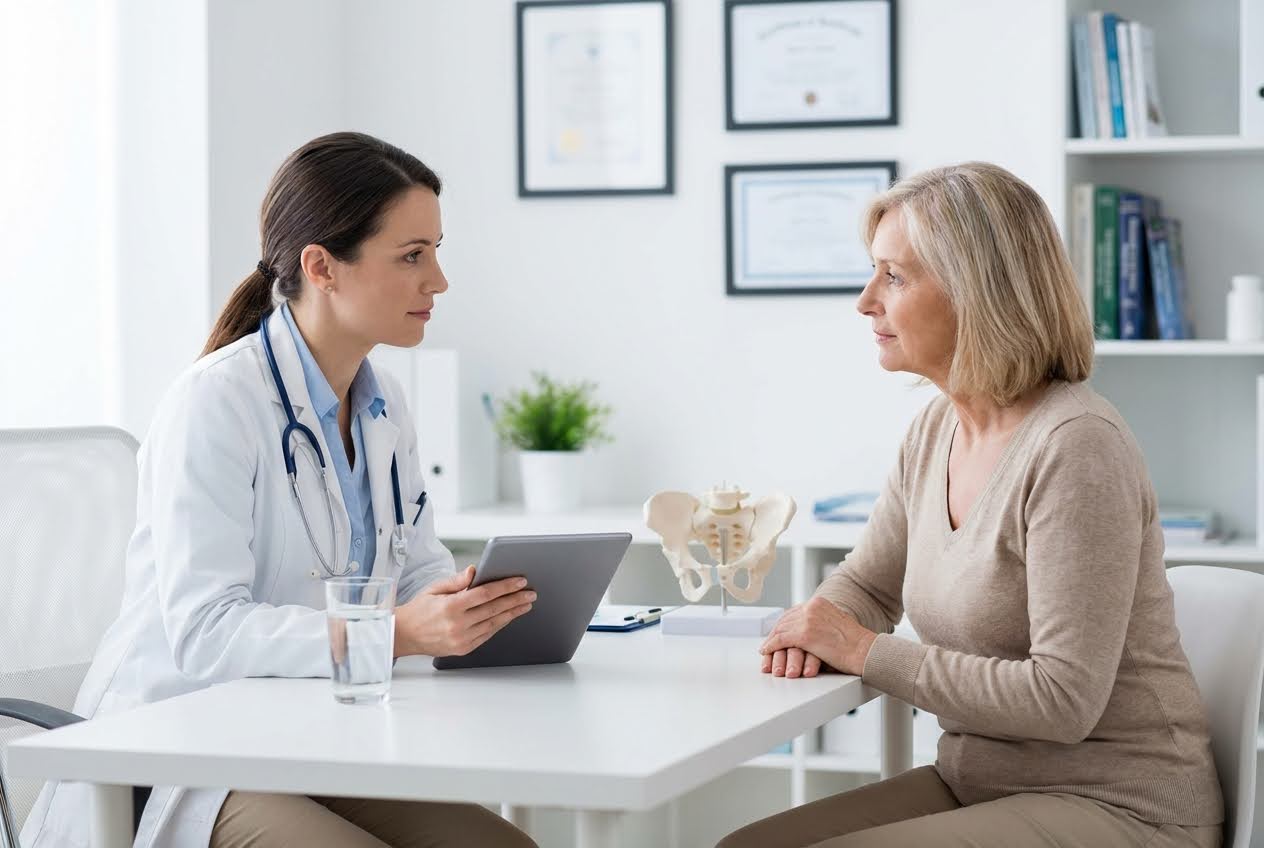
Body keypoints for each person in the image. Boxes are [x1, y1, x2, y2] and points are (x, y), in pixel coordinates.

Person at [22, 132, 538, 848]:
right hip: (187, 751)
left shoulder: (383, 401)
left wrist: (467, 608)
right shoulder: (215, 403)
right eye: (413, 255)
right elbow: (206, 632)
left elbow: (415, 566)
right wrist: (393, 634)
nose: (439, 280)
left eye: (436, 250)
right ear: (322, 267)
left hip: (312, 736)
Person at [720, 162, 1224, 848]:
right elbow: (869, 581)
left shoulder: (1076, 446)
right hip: (982, 781)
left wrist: (863, 650)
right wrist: (814, 628)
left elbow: (1062, 700)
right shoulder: (936, 430)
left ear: (978, 294)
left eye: (895, 277)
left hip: (1121, 805)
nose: (866, 300)